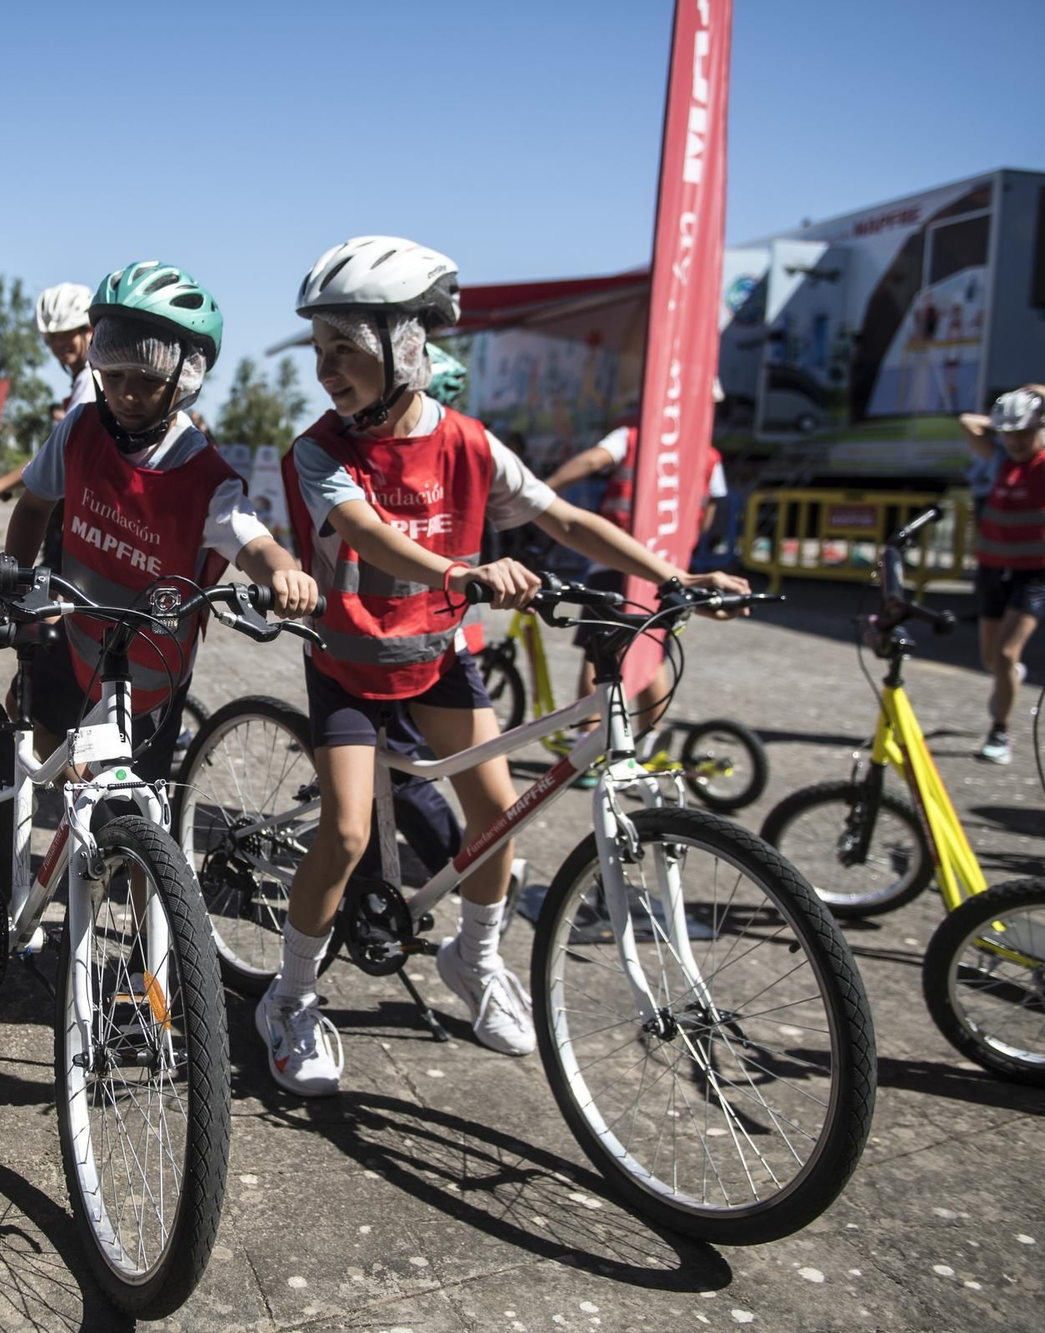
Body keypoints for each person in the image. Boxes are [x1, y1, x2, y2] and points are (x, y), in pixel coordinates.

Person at [270, 236, 749, 1096]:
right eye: (320, 351)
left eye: (345, 348)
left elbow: (564, 517)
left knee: (496, 821)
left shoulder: (470, 445)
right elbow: (370, 532)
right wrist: (461, 571)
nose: (326, 370)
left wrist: (677, 577)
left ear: (405, 346)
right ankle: (292, 995)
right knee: (343, 833)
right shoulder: (319, 451)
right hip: (346, 660)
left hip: (436, 656)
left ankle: (474, 959)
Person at [2, 262, 317, 781]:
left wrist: (285, 572)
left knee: (132, 821)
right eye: (115, 375)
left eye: (147, 381)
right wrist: (10, 579)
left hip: (149, 683)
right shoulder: (81, 430)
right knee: (33, 739)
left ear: (186, 377)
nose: (126, 393)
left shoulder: (204, 475)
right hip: (77, 641)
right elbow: (34, 503)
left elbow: (253, 541)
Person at [541, 379, 731, 754]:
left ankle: (588, 745)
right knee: (651, 648)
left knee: (598, 649)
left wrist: (545, 488)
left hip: (617, 558)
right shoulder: (708, 455)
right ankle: (652, 743)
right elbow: (711, 508)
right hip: (669, 564)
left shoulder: (633, 436)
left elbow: (594, 460)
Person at [959, 384, 1045, 764]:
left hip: (1035, 573)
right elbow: (966, 423)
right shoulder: (999, 459)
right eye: (1009, 433)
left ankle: (1000, 734)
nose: (1015, 440)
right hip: (994, 566)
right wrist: (1001, 424)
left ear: (1039, 430)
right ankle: (1008, 675)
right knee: (991, 661)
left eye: (1024, 432)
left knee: (1007, 653)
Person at [0, 282, 97, 511]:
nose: (58, 344)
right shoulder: (85, 377)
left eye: (66, 334)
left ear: (89, 329)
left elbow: (56, 455)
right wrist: (2, 484)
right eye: (51, 337)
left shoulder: (90, 379)